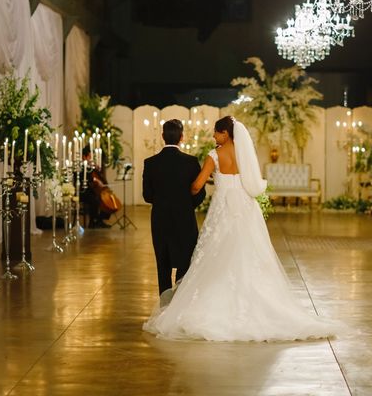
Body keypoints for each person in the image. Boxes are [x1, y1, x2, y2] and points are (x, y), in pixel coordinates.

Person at [143, 116, 339, 341]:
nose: (214, 137)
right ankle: (254, 304)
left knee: (217, 253)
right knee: (248, 252)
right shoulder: (245, 154)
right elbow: (250, 180)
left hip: (224, 207)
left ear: (225, 134)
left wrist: (182, 193)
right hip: (246, 208)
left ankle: (207, 304)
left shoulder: (214, 155)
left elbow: (197, 185)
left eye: (216, 133)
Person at [143, 119, 206, 296]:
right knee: (185, 261)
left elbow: (147, 196)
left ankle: (163, 305)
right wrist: (186, 205)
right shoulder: (191, 162)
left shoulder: (150, 163)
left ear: (162, 136)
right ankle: (179, 303)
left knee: (162, 264)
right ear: (182, 137)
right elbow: (200, 194)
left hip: (160, 220)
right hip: (185, 219)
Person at [80, 146, 111, 228]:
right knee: (94, 199)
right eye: (89, 157)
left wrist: (97, 171)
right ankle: (93, 221)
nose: (91, 159)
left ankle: (99, 220)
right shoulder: (81, 166)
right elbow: (86, 180)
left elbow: (98, 178)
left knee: (106, 198)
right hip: (83, 191)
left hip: (92, 190)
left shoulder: (91, 167)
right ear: (84, 157)